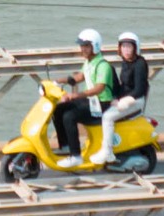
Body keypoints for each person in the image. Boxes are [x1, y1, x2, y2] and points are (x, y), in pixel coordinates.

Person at [50, 27, 113, 164]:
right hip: (91, 102)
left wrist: (76, 95)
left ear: (94, 46)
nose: (82, 49)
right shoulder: (89, 62)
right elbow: (79, 77)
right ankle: (65, 146)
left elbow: (99, 88)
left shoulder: (103, 65)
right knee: (58, 109)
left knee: (69, 116)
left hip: (101, 104)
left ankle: (76, 156)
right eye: (81, 46)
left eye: (86, 46)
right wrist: (57, 81)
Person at [91, 31, 151, 165]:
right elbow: (123, 86)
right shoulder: (125, 62)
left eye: (129, 47)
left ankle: (107, 151)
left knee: (107, 117)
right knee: (109, 69)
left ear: (136, 48)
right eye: (123, 47)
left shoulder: (140, 64)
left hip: (135, 101)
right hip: (124, 97)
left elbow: (139, 90)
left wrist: (123, 101)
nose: (126, 50)